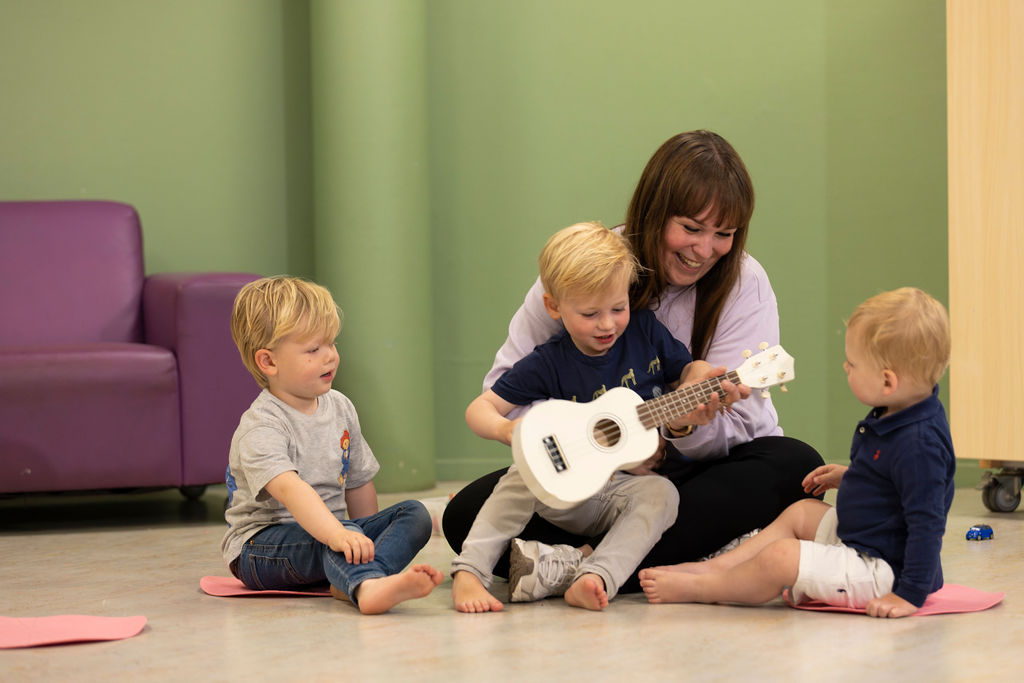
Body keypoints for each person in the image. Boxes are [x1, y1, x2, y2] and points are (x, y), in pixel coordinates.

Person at [443, 130, 825, 593]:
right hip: (595, 476)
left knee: (795, 466)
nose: (704, 250)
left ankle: (579, 565)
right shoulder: (587, 266)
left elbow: (737, 424)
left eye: (722, 234)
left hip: (697, 471)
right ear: (655, 210)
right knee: (465, 514)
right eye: (690, 228)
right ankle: (693, 555)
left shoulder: (745, 282)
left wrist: (686, 427)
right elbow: (505, 390)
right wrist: (594, 447)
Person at [451, 222, 742, 613]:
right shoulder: (548, 362)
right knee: (524, 472)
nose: (607, 324)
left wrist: (701, 381)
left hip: (621, 491)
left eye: (618, 308)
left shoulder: (644, 332)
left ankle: (595, 576)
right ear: (554, 306)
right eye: (590, 314)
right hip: (568, 494)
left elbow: (685, 372)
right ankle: (470, 572)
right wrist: (508, 430)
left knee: (662, 495)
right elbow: (478, 410)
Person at [639, 287, 955, 618]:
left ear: (888, 381)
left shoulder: (920, 444)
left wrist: (910, 594)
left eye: (853, 364)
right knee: (802, 511)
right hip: (865, 536)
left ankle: (707, 588)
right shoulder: (899, 410)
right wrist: (852, 477)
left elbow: (926, 523)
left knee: (781, 557)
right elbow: (896, 483)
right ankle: (715, 569)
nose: (846, 368)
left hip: (883, 569)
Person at [221, 276, 442, 615]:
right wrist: (341, 535)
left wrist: (365, 537)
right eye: (313, 349)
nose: (330, 357)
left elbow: (358, 482)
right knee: (336, 532)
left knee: (415, 514)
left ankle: (360, 578)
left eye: (331, 344)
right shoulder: (262, 425)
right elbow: (292, 491)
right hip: (262, 547)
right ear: (268, 362)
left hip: (331, 535)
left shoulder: (340, 406)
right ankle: (366, 586)